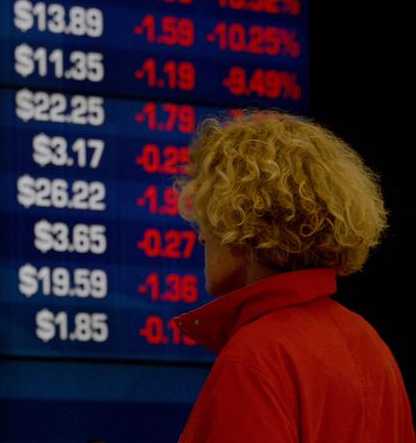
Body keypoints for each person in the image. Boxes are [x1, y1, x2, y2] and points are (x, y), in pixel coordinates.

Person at [173, 110, 414, 442]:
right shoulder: (370, 344)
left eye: (209, 218)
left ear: (245, 225)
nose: (202, 237)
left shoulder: (256, 356)